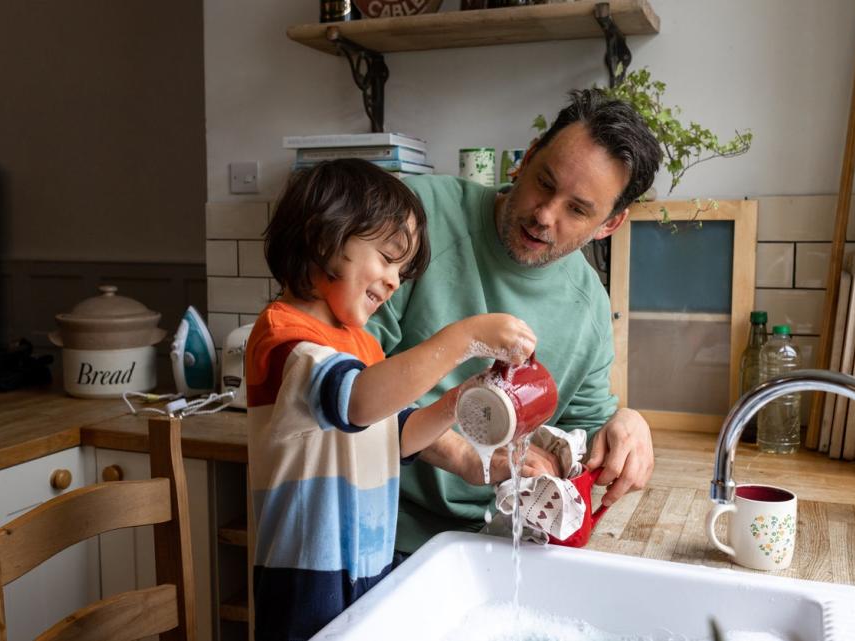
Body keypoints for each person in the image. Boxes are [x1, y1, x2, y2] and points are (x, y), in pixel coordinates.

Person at [245, 158, 536, 641]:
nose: (395, 280)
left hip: (369, 559)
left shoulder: (360, 344)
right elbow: (358, 403)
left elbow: (397, 435)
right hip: (305, 576)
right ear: (324, 238)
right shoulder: (286, 338)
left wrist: (462, 397)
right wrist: (463, 337)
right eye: (386, 257)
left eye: (401, 270)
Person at [366, 88, 663, 555]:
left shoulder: (588, 307)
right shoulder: (413, 217)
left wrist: (628, 423)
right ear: (523, 162)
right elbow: (338, 376)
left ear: (609, 224)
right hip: (376, 524)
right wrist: (461, 456)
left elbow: (584, 437)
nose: (545, 215)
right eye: (545, 182)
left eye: (578, 209)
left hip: (500, 544)